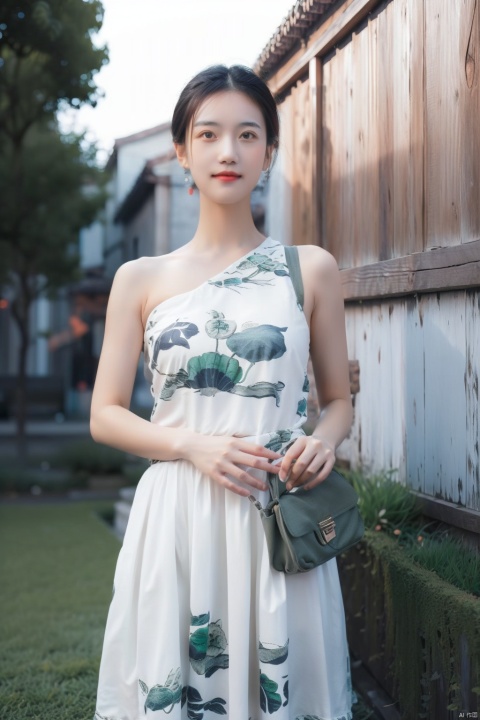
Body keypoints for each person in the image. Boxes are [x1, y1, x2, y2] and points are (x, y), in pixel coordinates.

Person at [91, 64, 355, 720]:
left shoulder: (310, 270)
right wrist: (190, 445)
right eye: (208, 134)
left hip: (278, 516)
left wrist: (323, 442)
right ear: (182, 151)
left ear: (269, 151)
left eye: (247, 134)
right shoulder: (138, 277)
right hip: (178, 513)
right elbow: (104, 415)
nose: (228, 151)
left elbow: (338, 402)